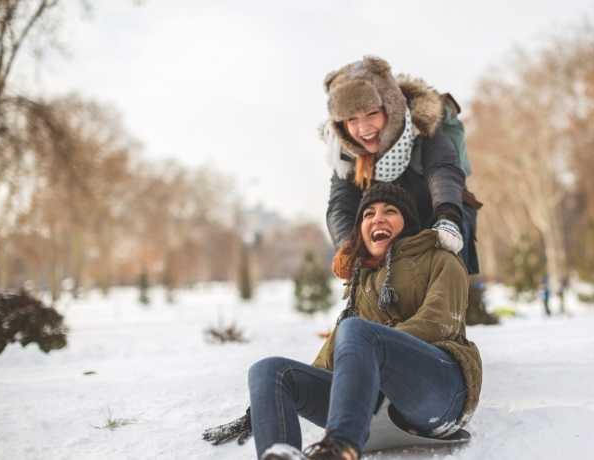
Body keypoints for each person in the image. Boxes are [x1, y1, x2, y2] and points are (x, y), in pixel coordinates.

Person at [202, 183, 482, 460]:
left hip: (441, 392)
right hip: (373, 402)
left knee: (357, 332)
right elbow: (335, 352)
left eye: (390, 211)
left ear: (407, 221)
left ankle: (339, 447)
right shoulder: (364, 279)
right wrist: (266, 405)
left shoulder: (441, 258)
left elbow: (440, 322)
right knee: (268, 370)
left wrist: (373, 349)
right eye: (368, 214)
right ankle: (280, 453)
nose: (377, 218)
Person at [322, 55, 481, 277]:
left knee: (439, 277)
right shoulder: (347, 156)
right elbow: (340, 205)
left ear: (390, 108)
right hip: (388, 236)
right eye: (352, 120)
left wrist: (448, 218)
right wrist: (347, 246)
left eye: (372, 113)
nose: (363, 128)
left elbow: (443, 171)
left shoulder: (423, 130)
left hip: (436, 220)